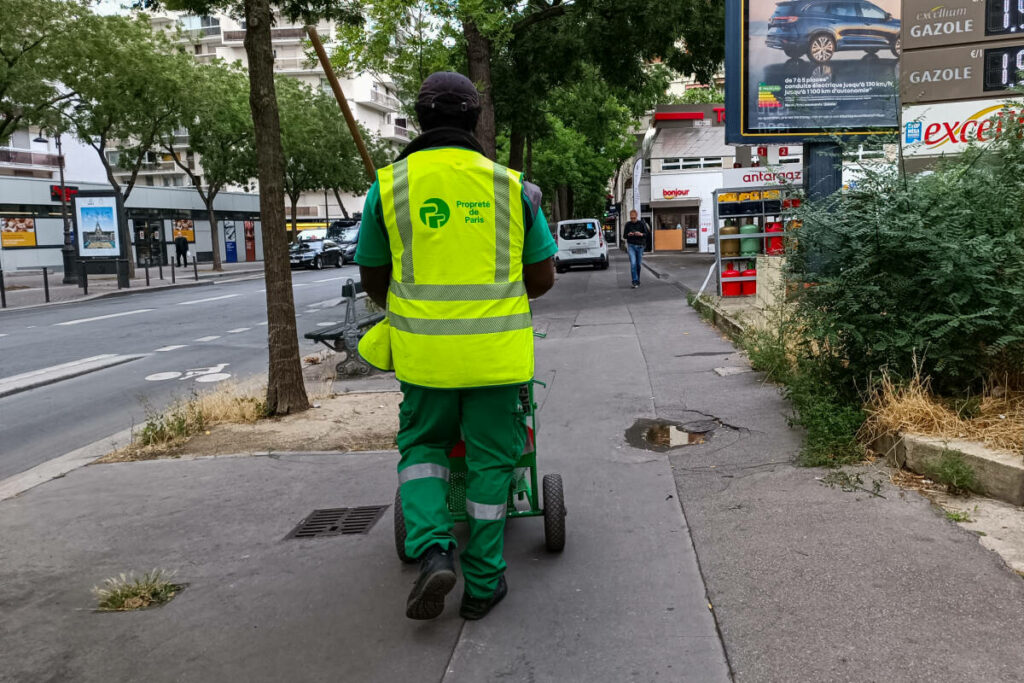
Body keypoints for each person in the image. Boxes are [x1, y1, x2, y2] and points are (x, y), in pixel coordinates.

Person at [356, 71, 557, 621]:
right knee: (494, 463)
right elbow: (541, 279)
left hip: (425, 360)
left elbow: (374, 278)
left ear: (420, 118)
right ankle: (484, 583)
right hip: (497, 359)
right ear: (474, 119)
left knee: (422, 452)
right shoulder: (517, 188)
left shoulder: (387, 187)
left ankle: (434, 548)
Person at [623, 210, 649, 288]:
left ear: (636, 216)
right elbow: (624, 236)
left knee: (638, 264)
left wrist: (640, 234)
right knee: (633, 263)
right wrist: (628, 234)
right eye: (631, 218)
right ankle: (634, 281)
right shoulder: (628, 224)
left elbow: (646, 234)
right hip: (631, 246)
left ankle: (637, 279)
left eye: (634, 218)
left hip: (640, 246)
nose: (633, 220)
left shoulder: (641, 223)